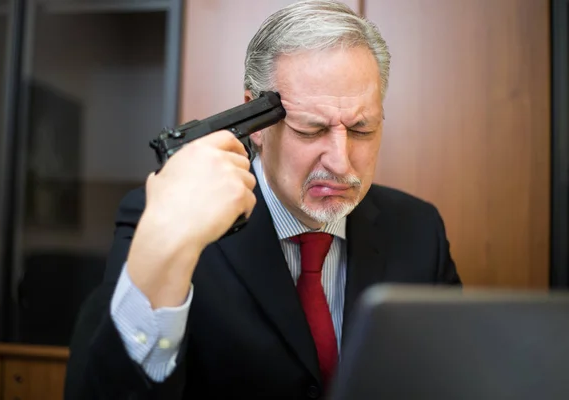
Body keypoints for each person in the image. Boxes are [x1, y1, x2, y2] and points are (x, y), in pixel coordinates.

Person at [64, 1, 461, 399]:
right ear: (256, 124)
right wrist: (170, 245)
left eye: (361, 128)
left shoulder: (420, 231)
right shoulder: (161, 219)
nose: (341, 162)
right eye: (311, 129)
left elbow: (455, 378)